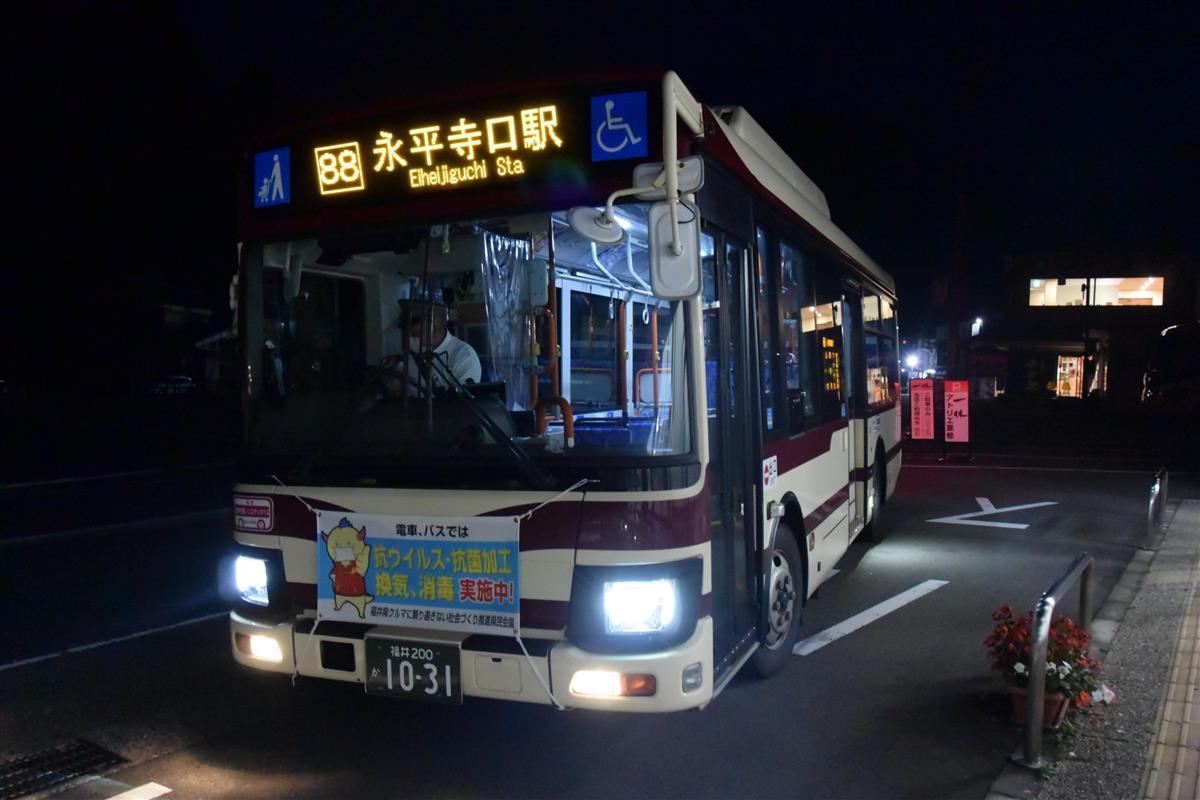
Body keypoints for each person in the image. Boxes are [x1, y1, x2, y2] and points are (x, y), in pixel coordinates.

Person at [383, 295, 481, 393]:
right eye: (405, 331)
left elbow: (462, 404)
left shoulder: (463, 356)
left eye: (413, 332)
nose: (407, 335)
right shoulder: (406, 358)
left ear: (430, 325)